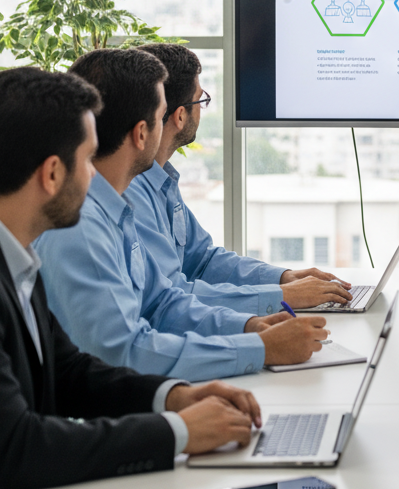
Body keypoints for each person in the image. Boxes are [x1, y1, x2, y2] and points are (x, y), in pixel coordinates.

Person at [0, 67, 263, 489]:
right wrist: (176, 433)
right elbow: (13, 447)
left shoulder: (10, 250)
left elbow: (68, 373)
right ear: (51, 174)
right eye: (87, 160)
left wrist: (172, 396)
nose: (96, 176)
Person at [36, 48, 329, 381]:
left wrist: (249, 326)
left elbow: (163, 302)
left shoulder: (115, 207)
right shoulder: (82, 227)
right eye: (161, 114)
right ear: (142, 132)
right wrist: (259, 347)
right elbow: (123, 352)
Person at [130, 43, 351, 316]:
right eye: (201, 100)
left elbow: (203, 260)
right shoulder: (133, 192)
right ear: (180, 115)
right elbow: (172, 299)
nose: (202, 109)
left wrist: (282, 278)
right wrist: (281, 297)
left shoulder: (162, 180)